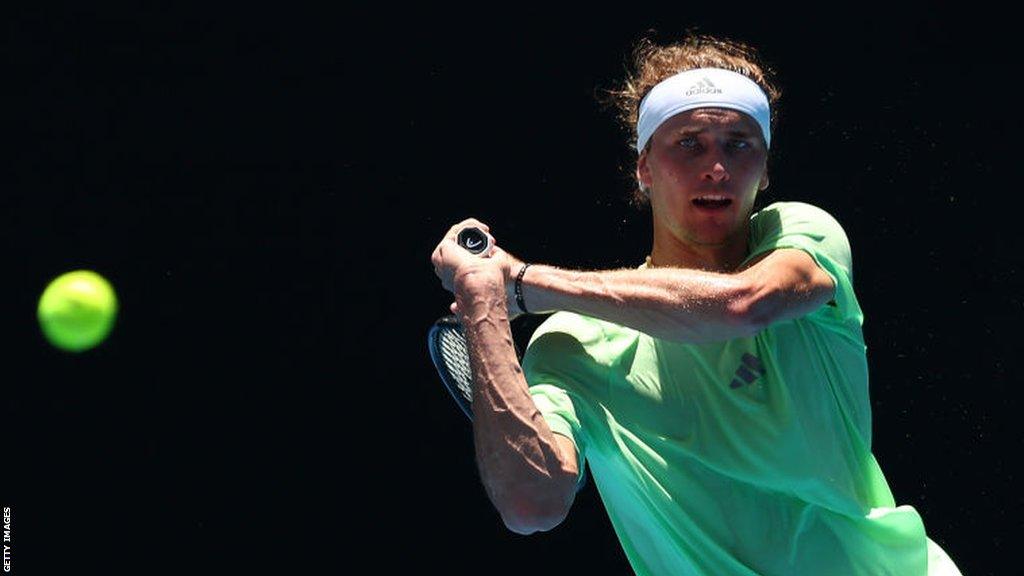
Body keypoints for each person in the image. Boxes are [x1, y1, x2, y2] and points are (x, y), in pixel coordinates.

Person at [430, 32, 962, 576]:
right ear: (644, 169)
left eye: (739, 143)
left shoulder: (802, 235)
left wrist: (522, 283)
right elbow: (530, 506)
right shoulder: (574, 345)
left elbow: (741, 306)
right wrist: (483, 303)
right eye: (690, 143)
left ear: (766, 167)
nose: (716, 167)